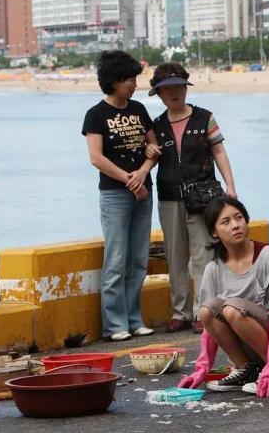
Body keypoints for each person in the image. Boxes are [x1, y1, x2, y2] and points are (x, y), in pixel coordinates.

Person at [177, 196, 269, 397]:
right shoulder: (213, 269)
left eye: (238, 218)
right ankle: (246, 371)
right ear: (214, 232)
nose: (235, 225)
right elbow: (210, 326)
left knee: (232, 309)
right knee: (207, 310)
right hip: (254, 341)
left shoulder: (268, 256)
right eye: (226, 222)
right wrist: (201, 370)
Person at [146, 62, 237, 334]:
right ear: (159, 95)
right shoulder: (157, 125)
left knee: (203, 256)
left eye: (178, 87)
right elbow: (151, 157)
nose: (174, 93)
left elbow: (219, 151)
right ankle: (180, 312)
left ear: (185, 88)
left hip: (203, 196)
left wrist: (230, 186)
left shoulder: (204, 117)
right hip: (169, 197)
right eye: (167, 89)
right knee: (175, 257)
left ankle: (203, 310)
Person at [82, 50, 158, 341]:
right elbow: (96, 158)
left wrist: (143, 171)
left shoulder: (138, 110)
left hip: (143, 191)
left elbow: (153, 148)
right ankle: (115, 325)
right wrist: (130, 179)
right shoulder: (96, 114)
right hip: (116, 194)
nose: (134, 85)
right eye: (129, 80)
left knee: (138, 258)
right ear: (114, 81)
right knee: (116, 259)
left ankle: (134, 319)